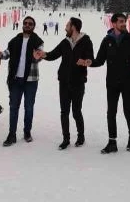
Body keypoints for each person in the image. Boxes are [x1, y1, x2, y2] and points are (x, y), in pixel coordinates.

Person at [86, 13, 130, 154]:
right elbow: (99, 60)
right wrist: (90, 62)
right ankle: (112, 142)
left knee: (127, 110)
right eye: (121, 22)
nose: (124, 24)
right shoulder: (107, 40)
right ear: (114, 23)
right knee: (111, 112)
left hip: (128, 81)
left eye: (124, 21)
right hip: (112, 82)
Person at [37, 17, 94, 150]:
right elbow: (53, 55)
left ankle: (81, 137)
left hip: (78, 82)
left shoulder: (86, 41)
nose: (65, 28)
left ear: (73, 27)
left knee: (76, 111)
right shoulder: (65, 42)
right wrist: (42, 54)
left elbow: (90, 57)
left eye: (67, 25)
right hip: (64, 81)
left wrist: (87, 62)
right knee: (64, 111)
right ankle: (66, 139)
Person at [0, 16, 44, 146]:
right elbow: (7, 53)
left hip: (31, 80)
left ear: (33, 26)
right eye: (25, 23)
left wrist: (37, 57)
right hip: (15, 79)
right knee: (13, 107)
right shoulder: (15, 40)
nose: (27, 25)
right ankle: (11, 134)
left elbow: (39, 56)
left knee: (29, 107)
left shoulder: (37, 41)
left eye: (30, 23)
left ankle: (27, 132)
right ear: (22, 25)